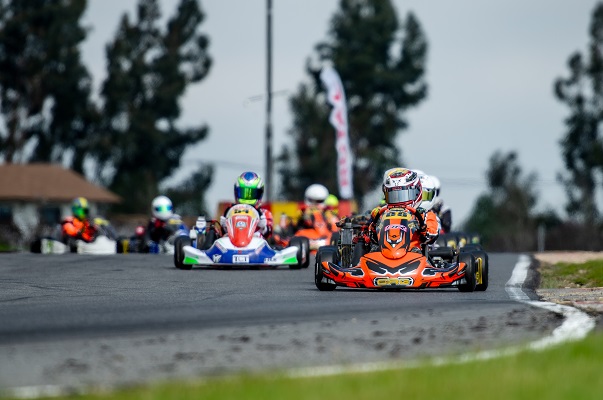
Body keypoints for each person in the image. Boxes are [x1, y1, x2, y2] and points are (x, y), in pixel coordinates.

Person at [363, 168, 439, 253]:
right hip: (382, 254)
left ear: (417, 193)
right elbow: (367, 232)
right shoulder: (381, 212)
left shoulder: (424, 215)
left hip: (414, 255)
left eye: (403, 195)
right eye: (394, 196)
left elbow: (432, 233)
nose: (398, 201)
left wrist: (424, 230)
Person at [220, 171, 273, 239]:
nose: (247, 197)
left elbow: (269, 234)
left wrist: (264, 228)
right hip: (232, 242)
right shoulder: (230, 211)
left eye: (252, 193)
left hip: (256, 243)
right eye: (243, 192)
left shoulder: (265, 213)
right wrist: (224, 226)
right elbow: (223, 232)